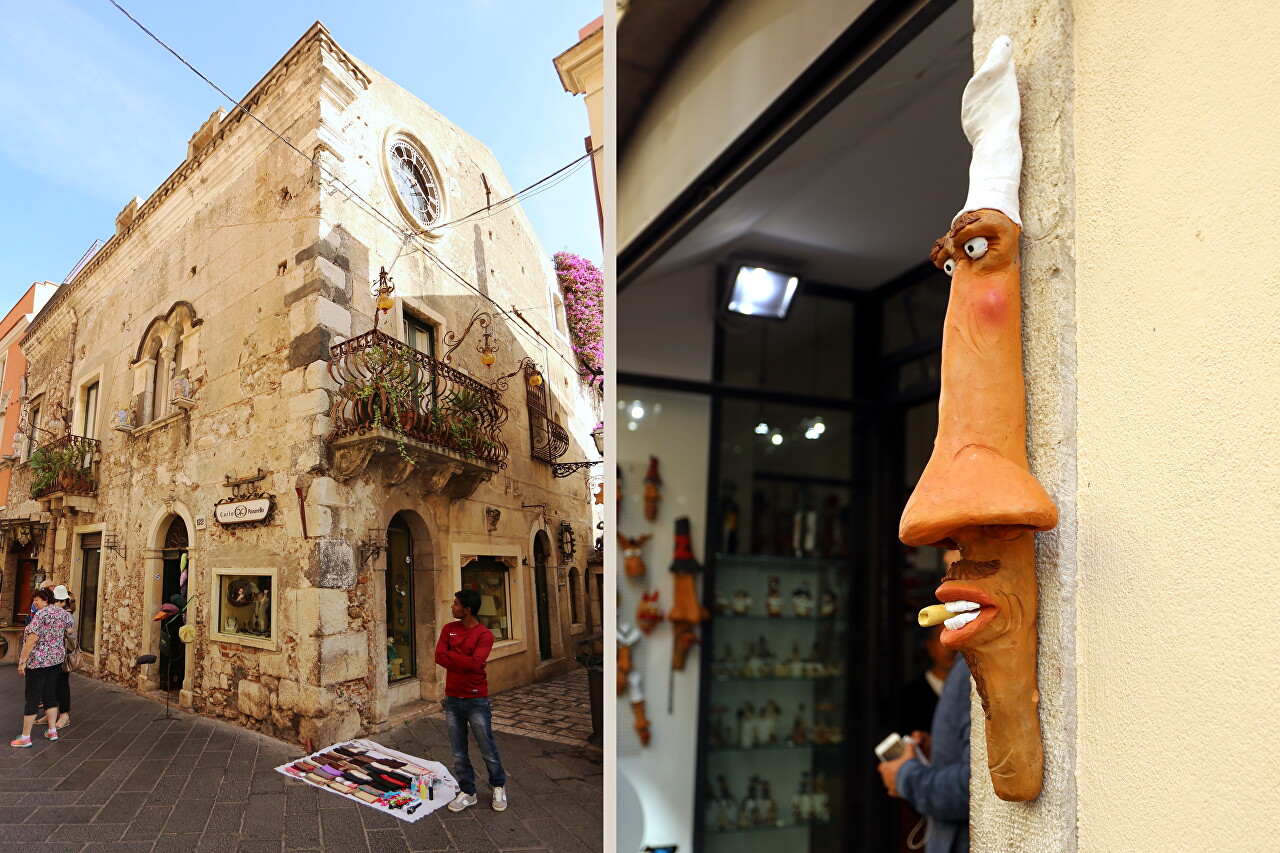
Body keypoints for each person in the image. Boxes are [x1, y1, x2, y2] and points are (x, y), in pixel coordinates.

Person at [878, 654, 971, 852]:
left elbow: (976, 785)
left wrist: (905, 776)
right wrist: (939, 752)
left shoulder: (973, 663)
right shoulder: (967, 660)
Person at [435, 589, 508, 812]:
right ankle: (468, 792)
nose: (452, 607)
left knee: (487, 747)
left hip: (476, 699)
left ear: (467, 610)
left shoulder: (485, 635)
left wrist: (454, 657)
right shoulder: (449, 629)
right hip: (453, 698)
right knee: (458, 752)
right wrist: (466, 660)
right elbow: (439, 656)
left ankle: (498, 786)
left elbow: (476, 663)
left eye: (456, 604)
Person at [12, 588, 75, 747]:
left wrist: (22, 661)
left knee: (32, 697)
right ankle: (52, 730)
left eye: (37, 600)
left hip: (38, 662)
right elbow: (69, 630)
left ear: (47, 600)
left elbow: (32, 639)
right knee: (50, 695)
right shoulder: (62, 613)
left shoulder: (42, 615)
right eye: (34, 600)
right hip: (55, 661)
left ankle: (25, 737)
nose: (34, 603)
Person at [50, 585, 75, 730]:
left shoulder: (66, 615)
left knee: (61, 685)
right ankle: (51, 714)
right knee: (52, 686)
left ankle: (64, 716)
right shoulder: (60, 613)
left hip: (62, 655)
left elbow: (70, 633)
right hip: (54, 655)